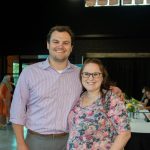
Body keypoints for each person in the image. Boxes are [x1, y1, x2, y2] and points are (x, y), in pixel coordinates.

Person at [10, 26, 124, 150]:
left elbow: (94, 87)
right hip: (36, 141)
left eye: (66, 43)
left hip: (71, 141)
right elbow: (17, 111)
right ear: (48, 45)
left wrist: (112, 89)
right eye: (55, 42)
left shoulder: (80, 74)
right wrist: (21, 144)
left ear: (71, 47)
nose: (60, 46)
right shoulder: (29, 73)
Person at [67, 58, 131, 150]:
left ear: (102, 77)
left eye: (95, 74)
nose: (90, 78)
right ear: (81, 76)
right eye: (86, 74)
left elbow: (125, 133)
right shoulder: (79, 97)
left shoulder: (110, 98)